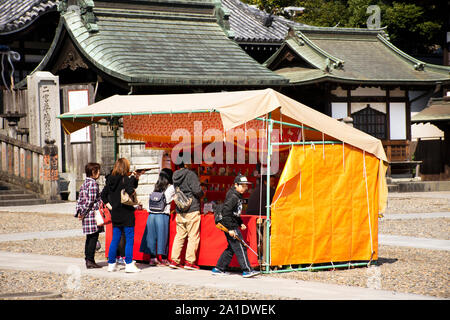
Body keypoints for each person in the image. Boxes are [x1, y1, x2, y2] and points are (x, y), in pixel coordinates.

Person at [212, 174, 260, 278]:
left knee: (232, 248)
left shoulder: (237, 196)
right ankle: (247, 270)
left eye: (245, 186)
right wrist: (230, 229)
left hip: (233, 224)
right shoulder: (233, 197)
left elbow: (235, 213)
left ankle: (219, 268)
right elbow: (226, 213)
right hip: (230, 226)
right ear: (236, 185)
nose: (245, 188)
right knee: (240, 247)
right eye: (242, 186)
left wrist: (240, 222)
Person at [101, 158, 142, 273]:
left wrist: (111, 207)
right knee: (129, 239)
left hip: (115, 213)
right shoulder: (125, 179)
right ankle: (129, 264)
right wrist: (133, 179)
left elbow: (103, 195)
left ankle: (111, 263)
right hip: (126, 213)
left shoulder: (110, 179)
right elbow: (130, 190)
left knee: (115, 239)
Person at [169, 152, 203, 270]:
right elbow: (197, 190)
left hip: (180, 208)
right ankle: (189, 261)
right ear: (187, 162)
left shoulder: (175, 175)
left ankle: (174, 260)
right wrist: (202, 193)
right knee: (193, 236)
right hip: (192, 208)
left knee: (180, 235)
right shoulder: (191, 174)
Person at [140, 168, 175, 266]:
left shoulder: (156, 186)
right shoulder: (171, 187)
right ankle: (163, 259)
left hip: (151, 215)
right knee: (163, 237)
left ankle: (153, 259)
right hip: (162, 214)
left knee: (151, 237)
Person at [75, 162, 103, 269]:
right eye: (98, 171)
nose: (99, 173)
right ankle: (90, 260)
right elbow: (90, 201)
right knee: (93, 237)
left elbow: (80, 199)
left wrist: (79, 212)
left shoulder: (84, 183)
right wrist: (84, 213)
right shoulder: (92, 184)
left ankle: (88, 259)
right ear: (93, 172)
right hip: (91, 214)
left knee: (89, 237)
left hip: (86, 214)